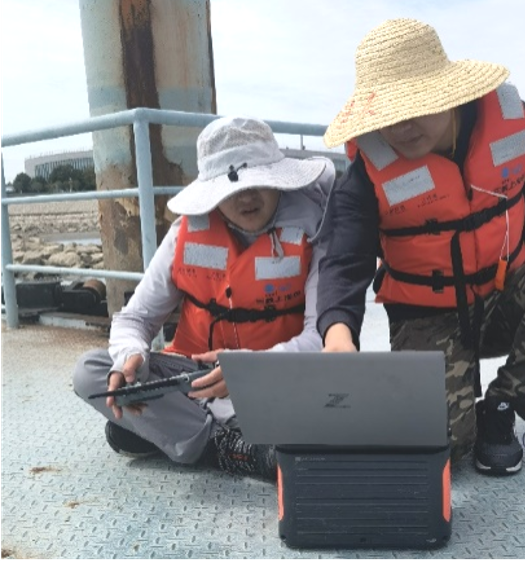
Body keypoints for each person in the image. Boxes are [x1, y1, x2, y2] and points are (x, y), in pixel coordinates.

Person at [316, 18, 525, 476]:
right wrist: (338, 336)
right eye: (388, 113)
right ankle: (456, 409)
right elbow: (343, 259)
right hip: (426, 316)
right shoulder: (364, 172)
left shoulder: (520, 125)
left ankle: (501, 406)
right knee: (440, 447)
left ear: (447, 93)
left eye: (415, 105)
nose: (402, 125)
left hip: (500, 298)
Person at [73, 116, 334, 481]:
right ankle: (226, 447)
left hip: (277, 380)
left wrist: (249, 370)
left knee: (328, 406)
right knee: (91, 372)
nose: (246, 197)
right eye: (232, 188)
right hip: (194, 380)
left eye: (258, 182)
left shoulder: (316, 229)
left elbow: (323, 337)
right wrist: (130, 355)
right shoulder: (184, 233)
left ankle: (171, 433)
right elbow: (136, 319)